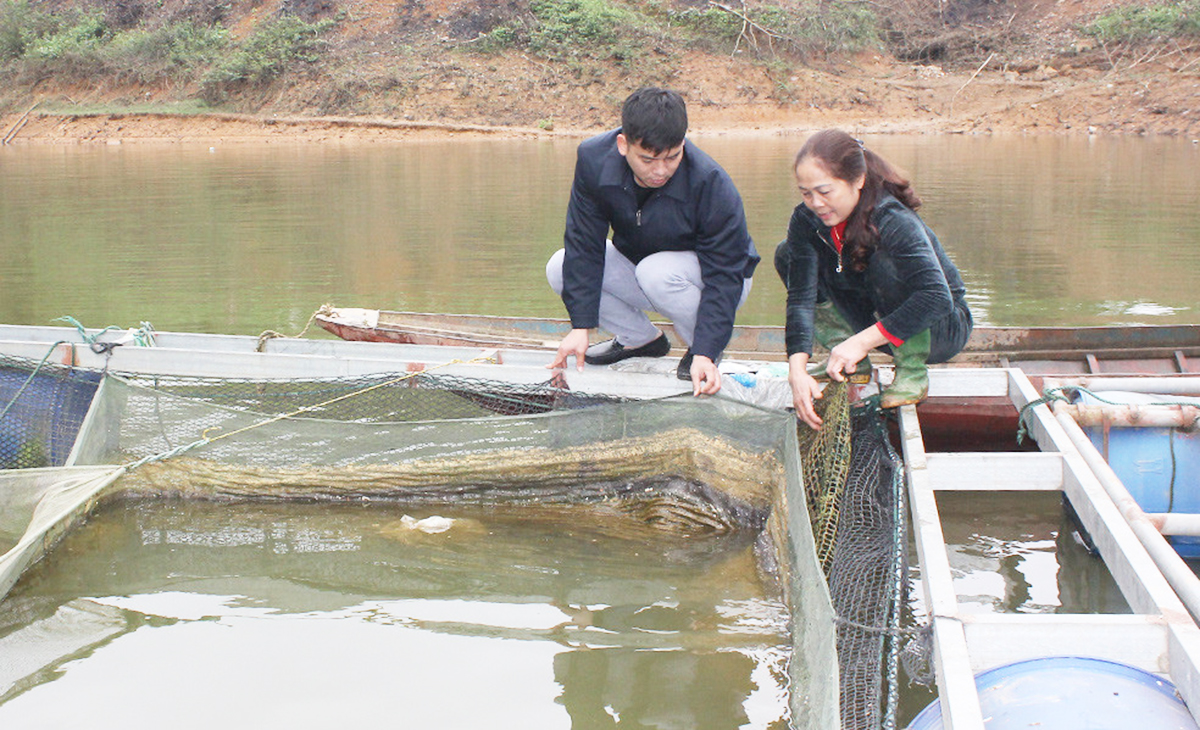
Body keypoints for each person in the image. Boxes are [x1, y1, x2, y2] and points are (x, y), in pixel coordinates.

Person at [545, 87, 759, 396]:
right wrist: (581, 326)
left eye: (672, 157)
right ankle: (640, 340)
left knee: (656, 272)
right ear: (623, 145)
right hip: (645, 267)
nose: (660, 171)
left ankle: (701, 350)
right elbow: (584, 242)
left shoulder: (710, 182)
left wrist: (706, 350)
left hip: (721, 279)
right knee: (560, 266)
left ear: (682, 144)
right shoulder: (593, 160)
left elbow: (725, 275)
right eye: (647, 159)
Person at [777, 129, 972, 429]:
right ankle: (849, 362)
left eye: (825, 191)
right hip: (880, 329)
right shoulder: (806, 220)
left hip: (940, 328)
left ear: (858, 180)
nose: (816, 203)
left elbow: (937, 298)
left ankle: (911, 371)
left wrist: (861, 341)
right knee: (786, 254)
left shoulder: (892, 219)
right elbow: (801, 298)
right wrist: (797, 370)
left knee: (883, 259)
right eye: (806, 193)